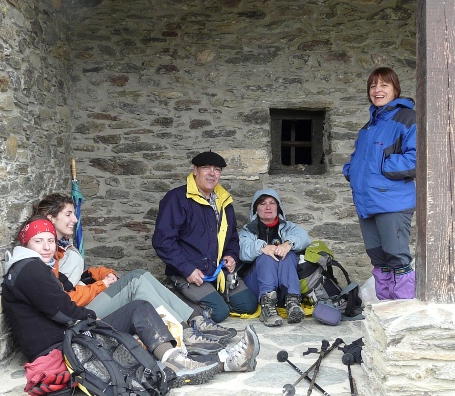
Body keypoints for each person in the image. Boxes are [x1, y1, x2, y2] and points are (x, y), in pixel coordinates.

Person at [33, 194, 259, 372]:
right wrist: (101, 286)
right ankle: (187, 330)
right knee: (136, 282)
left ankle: (194, 321)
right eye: (69, 214)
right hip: (79, 317)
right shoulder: (46, 254)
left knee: (141, 275)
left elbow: (78, 275)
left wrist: (101, 274)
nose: (75, 219)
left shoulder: (58, 246)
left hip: (84, 304)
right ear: (51, 218)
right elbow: (65, 298)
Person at [1, 216, 219, 387]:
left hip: (61, 339)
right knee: (138, 309)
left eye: (50, 241)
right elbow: (63, 311)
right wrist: (92, 317)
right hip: (63, 347)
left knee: (136, 316)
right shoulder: (31, 270)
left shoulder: (28, 268)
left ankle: (172, 358)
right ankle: (175, 360)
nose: (47, 247)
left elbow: (63, 294)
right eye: (38, 241)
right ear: (26, 244)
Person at [152, 151, 258, 323]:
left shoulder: (224, 201)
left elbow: (232, 237)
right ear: (195, 170)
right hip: (189, 272)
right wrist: (187, 269)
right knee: (218, 313)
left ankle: (209, 297)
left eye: (217, 169)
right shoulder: (177, 199)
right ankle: (172, 292)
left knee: (248, 305)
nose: (212, 173)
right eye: (206, 168)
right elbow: (162, 241)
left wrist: (231, 255)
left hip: (218, 271)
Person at [342, 67, 416, 300]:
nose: (378, 90)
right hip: (367, 202)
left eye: (384, 85)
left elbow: (418, 158)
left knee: (396, 257)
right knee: (379, 259)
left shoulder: (407, 118)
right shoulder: (368, 127)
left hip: (392, 203)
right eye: (373, 86)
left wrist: (384, 165)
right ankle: (385, 312)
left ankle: (403, 313)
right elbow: (359, 158)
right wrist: (351, 170)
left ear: (395, 89)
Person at [239, 189, 311, 327]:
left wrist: (288, 244)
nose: (268, 207)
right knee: (266, 256)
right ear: (256, 209)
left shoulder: (288, 228)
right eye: (263, 204)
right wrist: (262, 247)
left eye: (272, 203)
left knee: (288, 254)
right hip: (257, 284)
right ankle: (267, 305)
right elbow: (242, 250)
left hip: (283, 284)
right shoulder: (247, 231)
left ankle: (292, 301)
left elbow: (304, 238)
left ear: (278, 208)